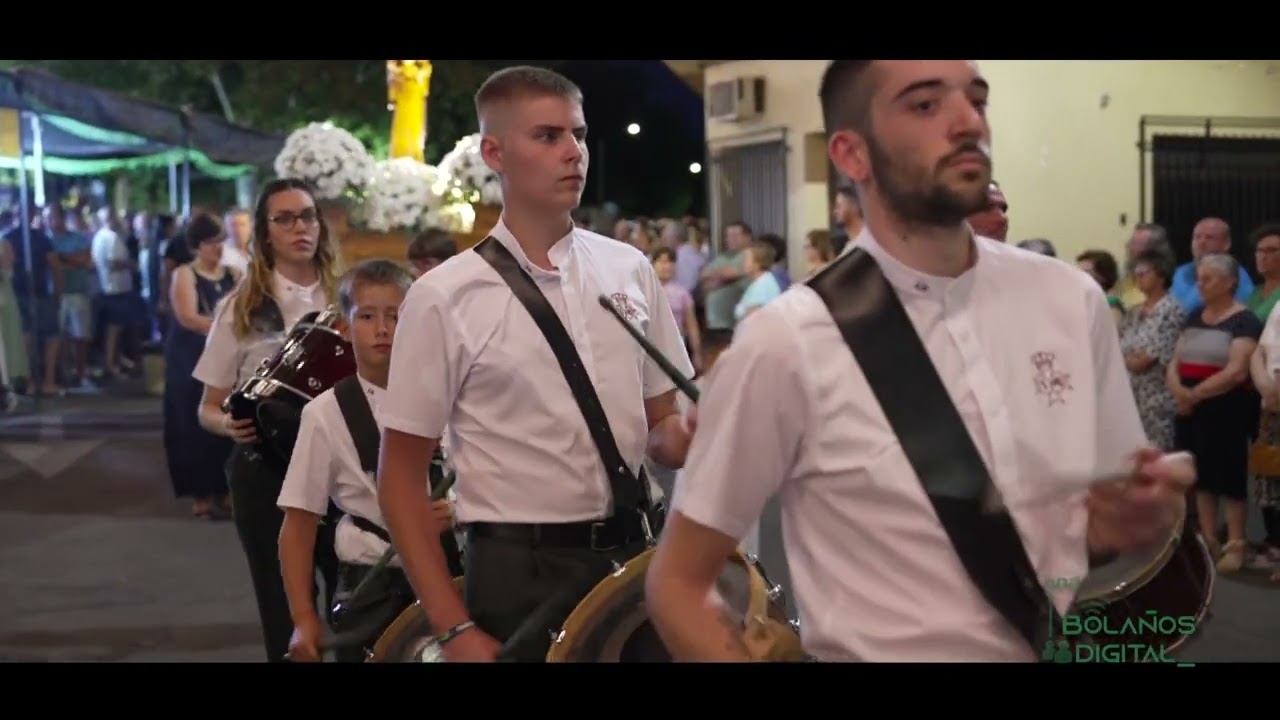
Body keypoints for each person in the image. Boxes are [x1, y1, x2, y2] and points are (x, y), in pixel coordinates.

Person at [644, 59, 1196, 663]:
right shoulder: (786, 342)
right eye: (926, 105)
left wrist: (1127, 523)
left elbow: (1074, 541)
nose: (967, 121)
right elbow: (678, 584)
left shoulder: (1071, 301)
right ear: (853, 156)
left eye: (976, 100)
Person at [377, 65, 693, 663]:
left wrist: (703, 429)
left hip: (637, 555)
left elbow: (662, 433)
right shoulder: (445, 295)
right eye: (547, 136)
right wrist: (451, 628)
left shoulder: (629, 269)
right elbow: (398, 479)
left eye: (577, 134)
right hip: (518, 570)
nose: (573, 152)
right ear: (493, 151)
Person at [278, 259, 462, 663]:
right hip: (373, 586)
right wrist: (303, 617)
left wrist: (457, 510)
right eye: (367, 317)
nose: (383, 329)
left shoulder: (451, 399)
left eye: (396, 316)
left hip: (455, 576)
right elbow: (299, 523)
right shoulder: (325, 414)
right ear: (343, 328)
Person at [191, 178, 344, 662]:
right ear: (264, 233)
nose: (300, 227)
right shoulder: (239, 307)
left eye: (308, 216)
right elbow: (208, 406)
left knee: (353, 596)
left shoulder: (351, 298)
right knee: (282, 610)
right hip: (265, 471)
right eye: (285, 218)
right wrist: (227, 426)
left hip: (341, 469)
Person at [163, 213, 239, 520]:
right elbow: (188, 318)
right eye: (210, 243)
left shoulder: (233, 274)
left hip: (223, 353)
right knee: (191, 421)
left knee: (224, 417)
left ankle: (224, 489)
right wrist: (225, 328)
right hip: (189, 356)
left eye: (220, 241)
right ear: (196, 246)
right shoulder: (184, 274)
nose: (217, 248)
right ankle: (200, 493)